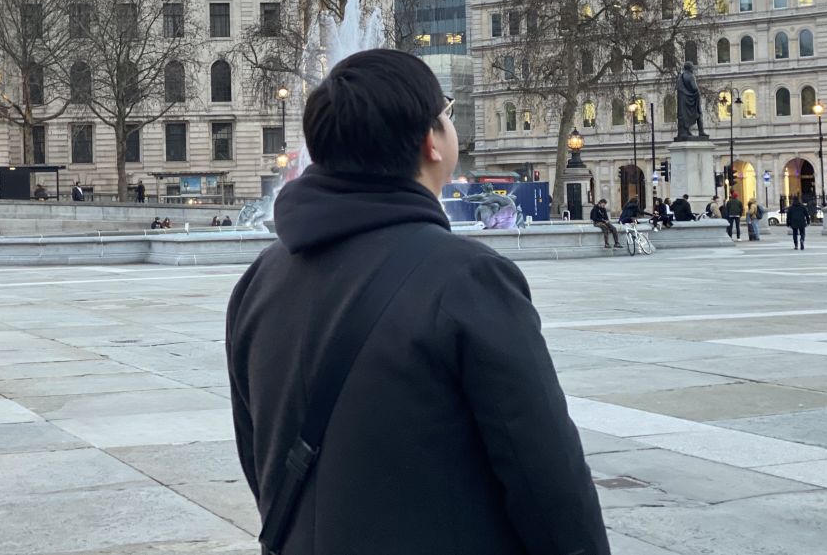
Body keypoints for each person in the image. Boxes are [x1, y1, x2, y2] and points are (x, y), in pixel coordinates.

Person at [227, 49, 607, 555]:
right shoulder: (470, 279)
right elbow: (548, 482)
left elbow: (261, 462)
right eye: (447, 114)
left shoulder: (259, 280)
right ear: (432, 141)